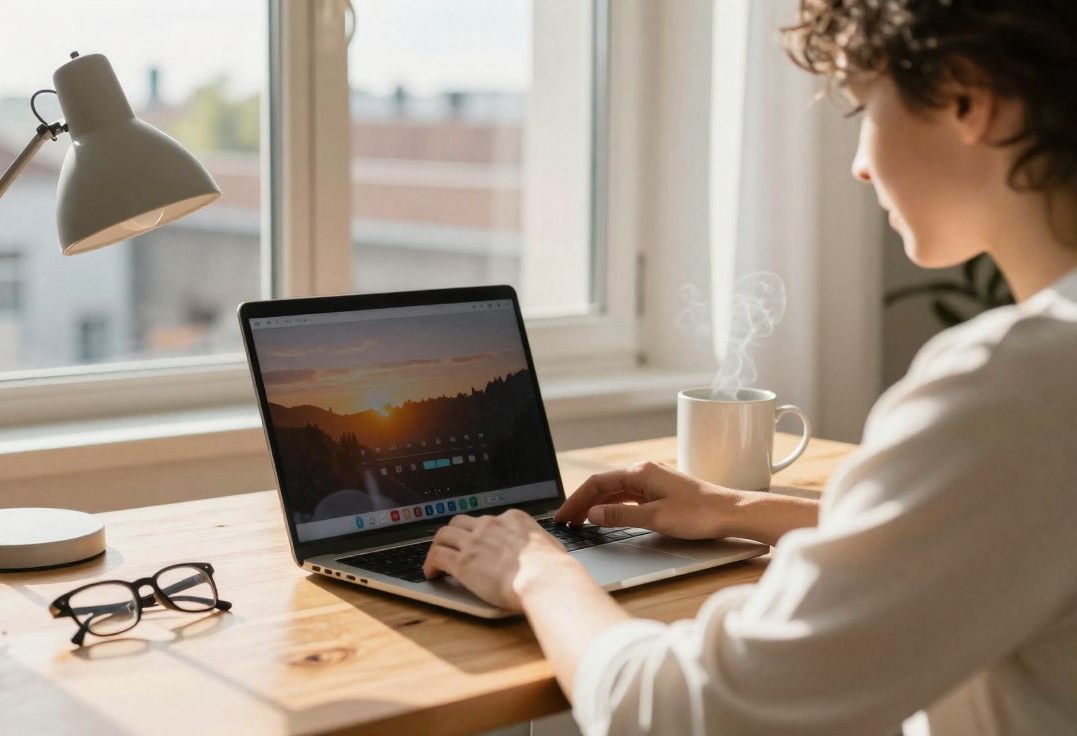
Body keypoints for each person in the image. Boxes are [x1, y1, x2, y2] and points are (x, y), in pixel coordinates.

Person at [421, 2, 1077, 734]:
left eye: (866, 108)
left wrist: (534, 569)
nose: (860, 166)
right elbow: (1009, 522)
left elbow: (693, 713)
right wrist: (740, 511)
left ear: (966, 98)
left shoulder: (1017, 388)